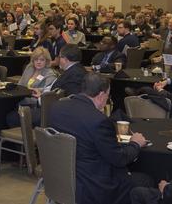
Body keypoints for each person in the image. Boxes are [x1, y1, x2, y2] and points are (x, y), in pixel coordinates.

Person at [49, 73, 151, 204]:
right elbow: (119, 159)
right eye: (108, 96)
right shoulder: (98, 121)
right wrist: (135, 143)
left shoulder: (56, 108)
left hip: (59, 178)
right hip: (93, 187)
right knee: (145, 180)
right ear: (102, 95)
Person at [6, 47, 57, 127]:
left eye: (42, 60)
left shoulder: (50, 74)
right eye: (36, 60)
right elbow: (20, 84)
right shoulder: (29, 68)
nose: (38, 62)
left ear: (47, 61)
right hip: (21, 98)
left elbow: (47, 93)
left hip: (33, 105)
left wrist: (36, 90)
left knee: (10, 115)